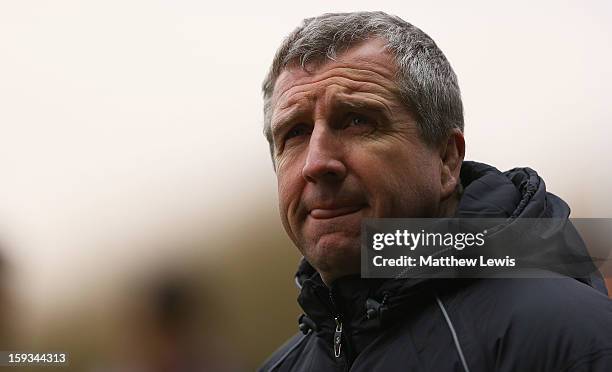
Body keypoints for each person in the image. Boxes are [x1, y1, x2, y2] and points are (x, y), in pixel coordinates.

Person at [258, 11, 612, 371]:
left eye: (357, 120)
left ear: (446, 160)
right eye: (296, 133)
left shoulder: (570, 340)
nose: (316, 163)